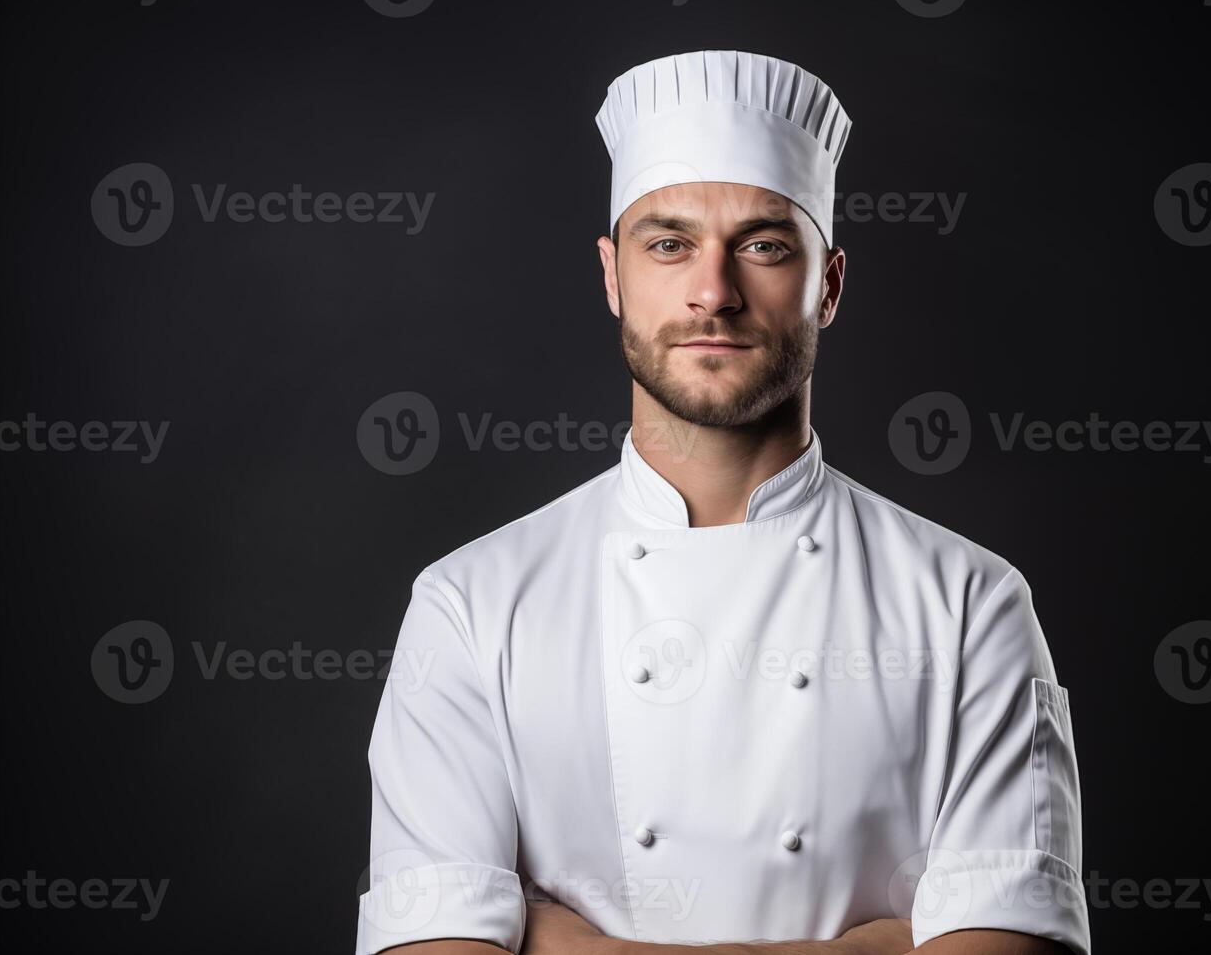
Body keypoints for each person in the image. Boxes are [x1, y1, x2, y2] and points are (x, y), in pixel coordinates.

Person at [356, 50, 1088, 955]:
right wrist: (887, 943)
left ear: (828, 284)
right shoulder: (471, 605)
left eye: (765, 246)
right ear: (613, 275)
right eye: (669, 244)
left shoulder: (971, 604)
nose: (714, 291)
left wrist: (556, 942)